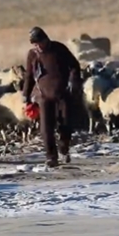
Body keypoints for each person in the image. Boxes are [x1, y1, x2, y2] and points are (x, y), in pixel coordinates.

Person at [22, 27, 82, 167]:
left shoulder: (59, 49)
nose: (37, 46)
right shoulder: (32, 55)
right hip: (43, 95)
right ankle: (51, 157)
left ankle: (63, 147)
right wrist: (26, 94)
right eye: (34, 44)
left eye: (39, 43)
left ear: (45, 39)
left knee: (66, 124)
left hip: (62, 92)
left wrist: (73, 81)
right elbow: (29, 76)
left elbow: (74, 65)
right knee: (46, 128)